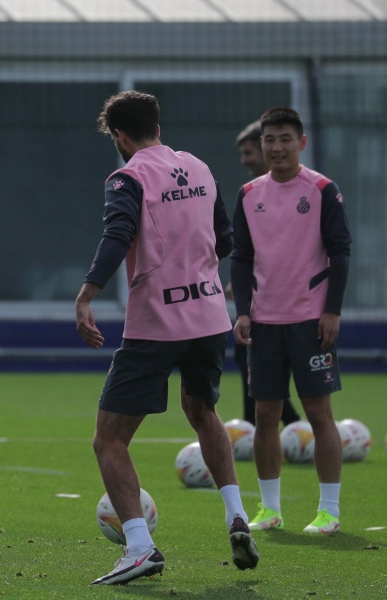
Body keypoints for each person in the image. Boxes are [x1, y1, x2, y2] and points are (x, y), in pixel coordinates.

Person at [75, 90, 258, 585]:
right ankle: (237, 516)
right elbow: (225, 240)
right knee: (203, 412)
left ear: (119, 135)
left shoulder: (127, 176)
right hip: (208, 319)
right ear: (157, 123)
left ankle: (139, 547)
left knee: (109, 439)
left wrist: (87, 294)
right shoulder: (197, 167)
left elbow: (117, 236)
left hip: (156, 325)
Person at [231, 107, 351, 535]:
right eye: (269, 140)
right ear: (261, 144)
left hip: (310, 322)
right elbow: (242, 257)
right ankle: (269, 509)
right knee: (265, 413)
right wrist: (243, 310)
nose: (276, 147)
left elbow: (340, 251)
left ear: (301, 143)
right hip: (264, 323)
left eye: (285, 139)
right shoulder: (248, 194)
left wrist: (332, 310)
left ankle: (329, 512)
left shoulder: (321, 189)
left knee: (320, 415)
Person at [230, 121, 301, 427]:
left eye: (248, 152)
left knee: (259, 361)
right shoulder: (252, 194)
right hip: (261, 296)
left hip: (287, 301)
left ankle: (297, 425)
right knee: (246, 357)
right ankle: (263, 425)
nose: (244, 160)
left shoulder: (294, 192)